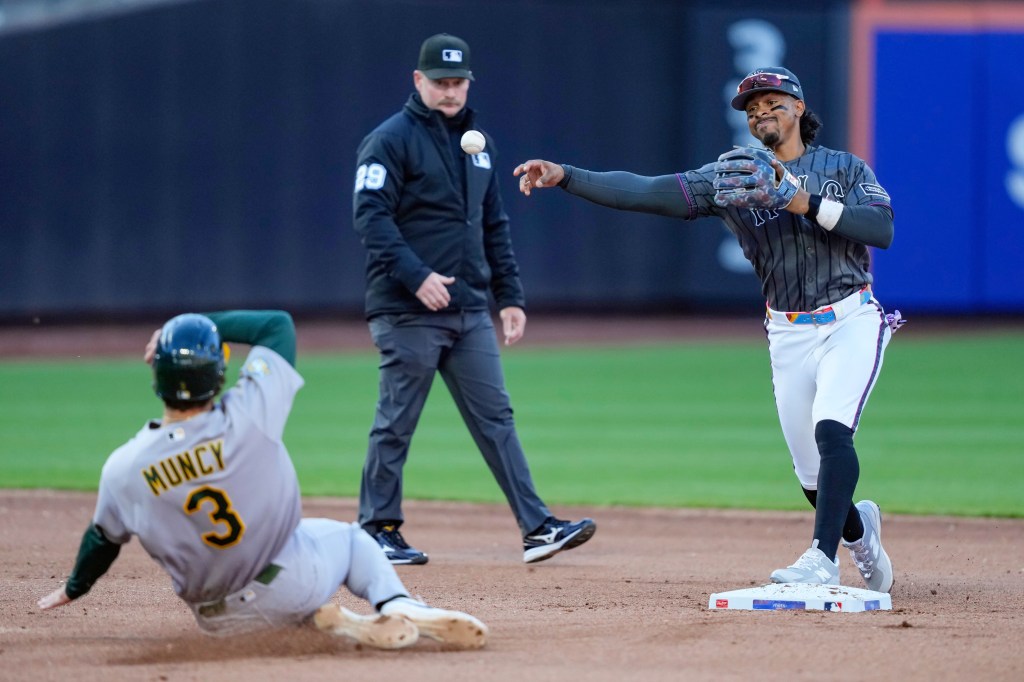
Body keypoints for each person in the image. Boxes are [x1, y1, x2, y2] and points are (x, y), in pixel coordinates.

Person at [514, 67, 901, 592]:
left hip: (851, 317)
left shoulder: (843, 167)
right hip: (788, 331)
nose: (760, 111)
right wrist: (567, 175)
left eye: (771, 101)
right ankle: (862, 536)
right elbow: (646, 192)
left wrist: (799, 200)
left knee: (832, 430)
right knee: (812, 478)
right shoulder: (730, 179)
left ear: (799, 109)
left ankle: (822, 558)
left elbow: (880, 229)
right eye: (751, 106)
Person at [37, 310, 487, 649]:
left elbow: (103, 540)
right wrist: (200, 325)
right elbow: (276, 326)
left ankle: (333, 627)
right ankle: (399, 605)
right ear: (217, 373)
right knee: (350, 539)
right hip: (291, 580)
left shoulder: (124, 467)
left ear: (158, 375)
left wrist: (74, 587)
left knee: (282, 596)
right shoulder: (249, 413)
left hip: (217, 622)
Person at [351, 33, 596, 565]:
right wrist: (416, 276)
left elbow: (492, 223)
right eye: (439, 81)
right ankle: (376, 529)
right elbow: (370, 216)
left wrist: (508, 295)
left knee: (497, 418)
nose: (449, 91)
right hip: (406, 309)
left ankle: (537, 528)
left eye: (457, 81)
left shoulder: (478, 145)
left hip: (468, 309)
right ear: (418, 81)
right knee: (397, 420)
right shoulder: (388, 140)